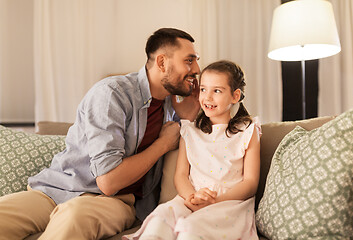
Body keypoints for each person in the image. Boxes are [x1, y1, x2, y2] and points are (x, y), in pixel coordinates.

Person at [0, 28, 201, 240]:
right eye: (189, 61)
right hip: (55, 189)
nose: (196, 69)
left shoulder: (174, 109)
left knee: (73, 216)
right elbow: (109, 177)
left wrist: (187, 118)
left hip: (114, 201)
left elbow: (108, 187)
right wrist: (162, 145)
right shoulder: (113, 94)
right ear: (162, 62)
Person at [124, 60, 261, 240]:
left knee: (191, 229)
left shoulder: (248, 130)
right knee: (161, 217)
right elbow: (181, 175)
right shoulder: (191, 130)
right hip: (191, 198)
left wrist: (215, 201)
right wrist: (191, 197)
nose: (208, 97)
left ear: (235, 96)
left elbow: (250, 183)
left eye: (217, 91)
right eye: (203, 89)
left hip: (228, 203)